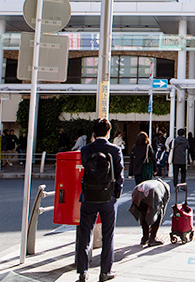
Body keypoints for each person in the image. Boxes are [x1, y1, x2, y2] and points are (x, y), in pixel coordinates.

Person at [76, 118, 123, 282]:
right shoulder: (115, 150)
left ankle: (82, 272)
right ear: (109, 132)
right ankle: (105, 272)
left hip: (88, 196)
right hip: (107, 197)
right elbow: (120, 176)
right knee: (108, 234)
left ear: (94, 133)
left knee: (84, 233)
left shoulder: (85, 150)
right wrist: (116, 195)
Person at [128, 178, 170, 247]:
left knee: (143, 214)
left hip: (137, 191)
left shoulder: (155, 183)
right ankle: (152, 238)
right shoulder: (164, 190)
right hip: (151, 193)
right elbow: (163, 206)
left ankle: (145, 237)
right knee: (158, 213)